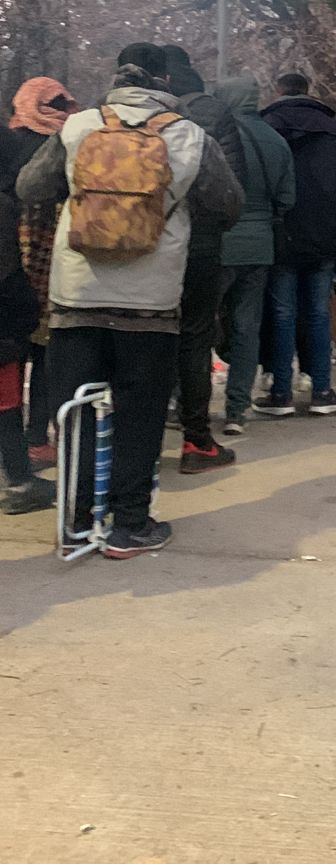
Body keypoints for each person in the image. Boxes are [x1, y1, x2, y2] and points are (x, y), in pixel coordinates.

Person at [16, 53, 242, 556]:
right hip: (150, 303)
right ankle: (130, 525)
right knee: (140, 413)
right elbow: (228, 207)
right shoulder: (189, 135)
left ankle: (75, 523)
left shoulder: (76, 127)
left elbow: (30, 188)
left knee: (74, 413)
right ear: (166, 84)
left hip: (75, 299)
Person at [121, 44, 247, 473]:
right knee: (195, 337)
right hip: (201, 247)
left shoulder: (105, 117)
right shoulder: (209, 118)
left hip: (135, 245)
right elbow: (232, 193)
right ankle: (197, 443)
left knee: (144, 338)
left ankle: (137, 442)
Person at [259, 71, 336, 416]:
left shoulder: (268, 126)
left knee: (282, 312)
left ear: (278, 91)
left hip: (282, 233)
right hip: (325, 233)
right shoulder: (334, 131)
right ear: (308, 91)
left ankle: (281, 394)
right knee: (318, 312)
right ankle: (322, 390)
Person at [213, 76, 295, 436]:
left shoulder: (217, 137)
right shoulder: (276, 141)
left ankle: (189, 403)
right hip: (260, 246)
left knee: (202, 323)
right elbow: (287, 198)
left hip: (220, 243)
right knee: (248, 328)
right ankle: (236, 410)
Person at [3, 75, 77, 465]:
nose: (65, 111)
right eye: (58, 104)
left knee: (12, 354)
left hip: (13, 255)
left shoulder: (9, 140)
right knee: (46, 350)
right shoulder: (60, 145)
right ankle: (35, 437)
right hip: (47, 256)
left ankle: (14, 443)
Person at [0, 173, 54, 515]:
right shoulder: (5, 206)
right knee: (5, 407)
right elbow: (9, 278)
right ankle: (21, 482)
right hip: (3, 332)